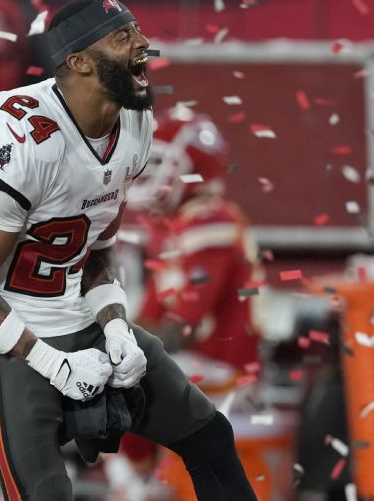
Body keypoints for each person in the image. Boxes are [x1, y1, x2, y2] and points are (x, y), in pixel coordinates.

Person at [0, 0, 257, 500]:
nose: (143, 43)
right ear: (80, 61)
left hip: (76, 312)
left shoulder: (134, 125)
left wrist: (115, 325)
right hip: (5, 330)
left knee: (209, 436)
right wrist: (52, 364)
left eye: (137, 30)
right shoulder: (23, 138)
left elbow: (96, 251)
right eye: (123, 36)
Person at [104, 109, 266, 498]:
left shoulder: (212, 220)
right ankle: (138, 482)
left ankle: (138, 486)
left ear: (194, 168)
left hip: (222, 368)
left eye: (159, 162)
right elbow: (151, 315)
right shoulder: (175, 226)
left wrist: (117, 351)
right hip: (195, 362)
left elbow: (186, 324)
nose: (146, 174)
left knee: (120, 386)